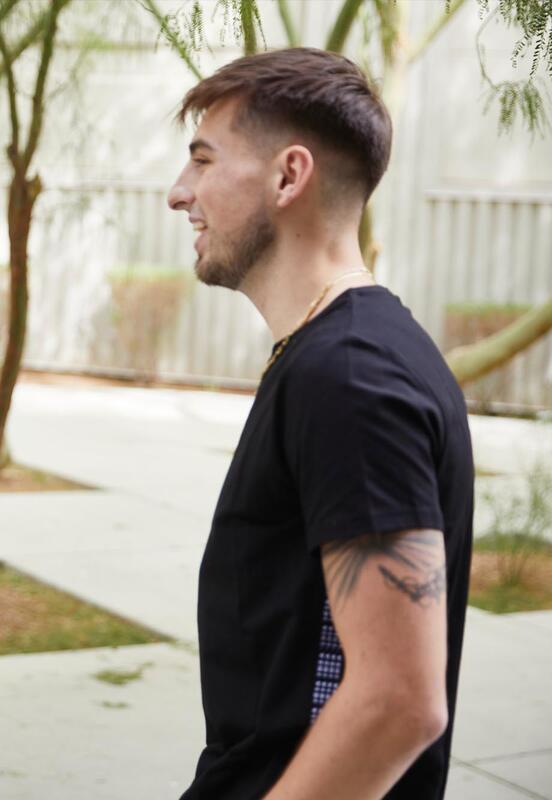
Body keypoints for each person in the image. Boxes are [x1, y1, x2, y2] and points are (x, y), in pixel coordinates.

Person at [166, 47, 474, 799]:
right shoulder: (335, 353)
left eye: (204, 161)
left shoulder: (351, 376)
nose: (180, 193)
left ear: (288, 176)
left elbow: (401, 699)